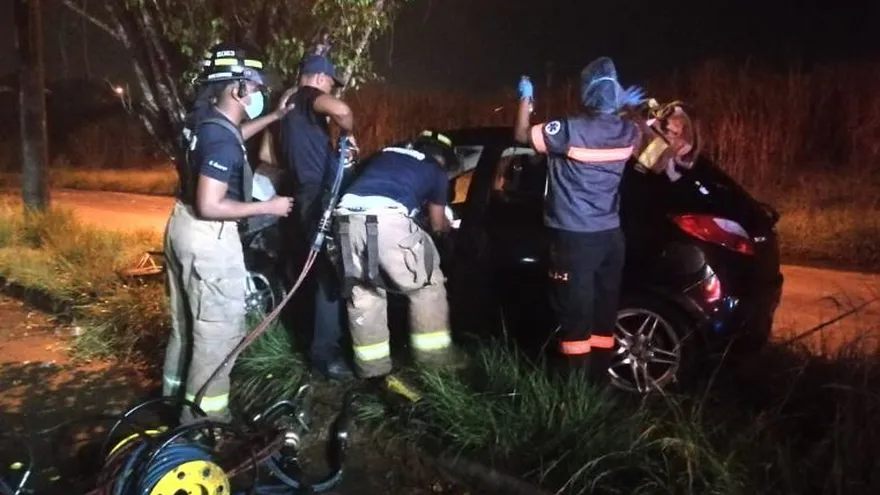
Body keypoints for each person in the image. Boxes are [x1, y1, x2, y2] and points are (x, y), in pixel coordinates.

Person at [162, 43, 296, 423]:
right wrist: (268, 207)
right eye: (254, 89)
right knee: (218, 336)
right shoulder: (220, 138)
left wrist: (273, 116)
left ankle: (173, 404)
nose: (256, 95)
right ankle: (203, 426)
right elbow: (210, 204)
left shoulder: (204, 119)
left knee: (186, 328)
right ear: (238, 89)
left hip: (181, 227)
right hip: (208, 236)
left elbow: (234, 134)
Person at [512, 56, 646, 377]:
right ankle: (599, 382)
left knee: (574, 317)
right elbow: (651, 154)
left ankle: (574, 394)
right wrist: (635, 111)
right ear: (615, 94)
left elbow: (520, 135)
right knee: (603, 316)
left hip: (574, 239)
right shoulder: (629, 132)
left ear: (586, 93)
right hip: (611, 238)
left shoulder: (570, 130)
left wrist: (525, 98)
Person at [331, 130, 462, 392]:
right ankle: (435, 365)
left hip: (345, 220)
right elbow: (437, 224)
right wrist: (451, 228)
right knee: (427, 285)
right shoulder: (434, 170)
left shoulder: (385, 154)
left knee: (365, 293)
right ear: (444, 159)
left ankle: (372, 372)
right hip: (387, 220)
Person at [277, 53, 357, 381]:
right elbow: (343, 110)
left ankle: (315, 342)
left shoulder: (283, 108)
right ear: (320, 79)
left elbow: (270, 154)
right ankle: (325, 355)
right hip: (318, 196)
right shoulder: (308, 96)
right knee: (330, 274)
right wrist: (348, 133)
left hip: (302, 193)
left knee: (314, 269)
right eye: (330, 84)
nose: (331, 90)